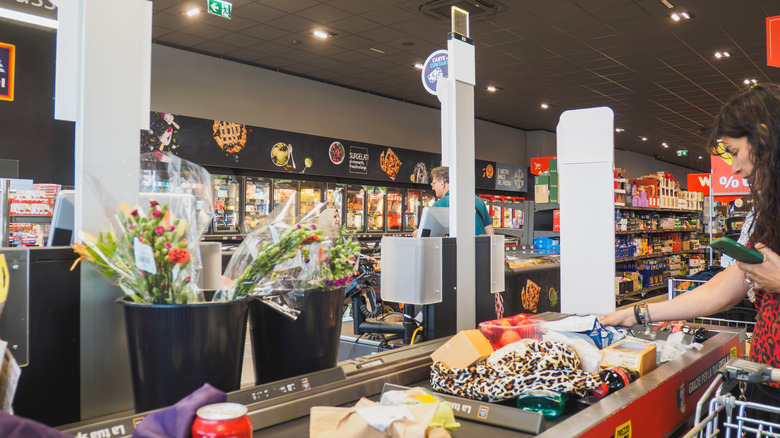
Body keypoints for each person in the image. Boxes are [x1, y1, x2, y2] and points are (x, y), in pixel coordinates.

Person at [600, 83, 780, 416]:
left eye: (734, 151)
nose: (735, 168)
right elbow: (722, 289)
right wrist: (638, 313)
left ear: (764, 136)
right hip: (767, 381)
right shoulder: (766, 213)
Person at [413, 166, 494, 236]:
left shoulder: (440, 205)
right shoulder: (479, 201)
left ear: (442, 183)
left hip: (456, 252)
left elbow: (430, 236)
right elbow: (490, 232)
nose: (432, 187)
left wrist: (418, 233)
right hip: (480, 251)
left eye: (433, 183)